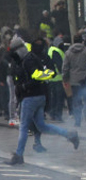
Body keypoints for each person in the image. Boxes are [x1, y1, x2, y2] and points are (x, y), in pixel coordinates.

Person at [6, 36, 79, 165]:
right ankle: (70, 134)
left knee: (24, 127)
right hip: (39, 97)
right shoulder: (30, 58)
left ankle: (19, 155)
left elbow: (36, 77)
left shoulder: (27, 61)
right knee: (42, 126)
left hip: (30, 97)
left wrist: (24, 86)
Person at [62, 34, 86, 127]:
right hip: (84, 79)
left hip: (74, 80)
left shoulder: (68, 53)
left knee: (76, 101)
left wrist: (65, 79)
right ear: (81, 41)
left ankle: (77, 121)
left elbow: (65, 67)